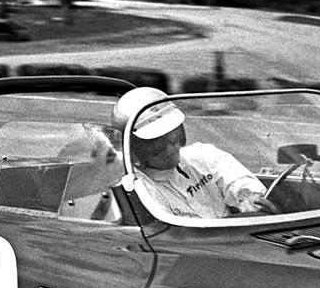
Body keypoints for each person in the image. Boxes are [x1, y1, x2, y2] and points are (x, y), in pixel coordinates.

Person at [111, 87, 273, 219]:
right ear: (134, 148)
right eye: (156, 144)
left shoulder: (201, 155)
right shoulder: (141, 188)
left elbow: (235, 179)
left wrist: (249, 196)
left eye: (175, 137)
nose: (171, 148)